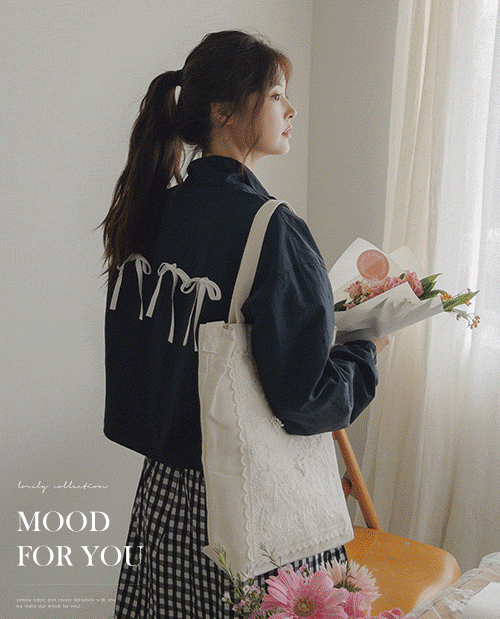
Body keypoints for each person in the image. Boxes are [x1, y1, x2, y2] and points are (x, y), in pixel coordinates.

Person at [101, 29, 388, 619]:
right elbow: (302, 397)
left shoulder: (150, 212)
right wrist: (365, 353)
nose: (292, 111)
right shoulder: (270, 227)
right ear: (223, 110)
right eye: (277, 95)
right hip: (245, 510)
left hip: (163, 503)